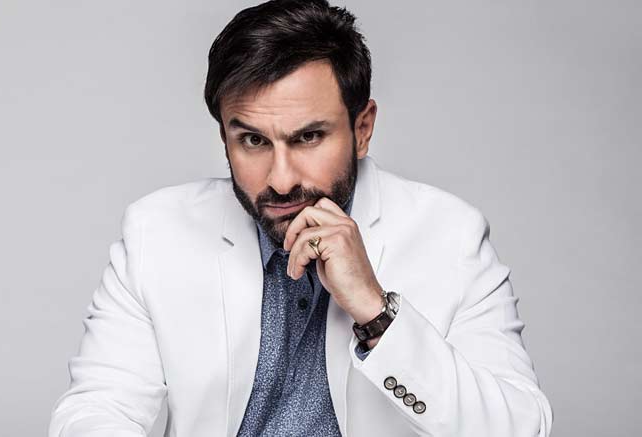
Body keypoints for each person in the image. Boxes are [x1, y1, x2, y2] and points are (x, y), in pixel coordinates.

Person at [49, 0, 553, 435]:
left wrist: (376, 312)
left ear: (362, 128)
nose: (282, 179)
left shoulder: (451, 236)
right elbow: (96, 409)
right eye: (253, 140)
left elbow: (521, 427)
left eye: (309, 137)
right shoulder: (156, 231)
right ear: (224, 136)